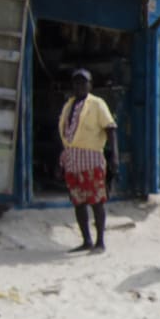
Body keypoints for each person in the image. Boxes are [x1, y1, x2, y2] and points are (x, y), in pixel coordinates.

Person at [57, 68, 118, 253]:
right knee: (78, 201)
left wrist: (114, 155)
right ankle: (86, 240)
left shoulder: (97, 104)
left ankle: (100, 242)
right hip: (73, 159)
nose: (80, 86)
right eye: (76, 82)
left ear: (90, 85)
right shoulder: (69, 105)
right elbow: (66, 133)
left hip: (91, 159)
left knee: (97, 201)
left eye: (83, 82)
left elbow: (110, 129)